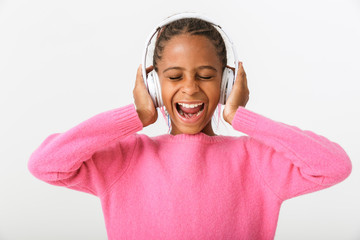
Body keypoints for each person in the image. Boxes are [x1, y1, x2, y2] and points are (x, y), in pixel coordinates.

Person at [28, 17, 352, 240]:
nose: (190, 88)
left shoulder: (254, 159)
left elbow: (333, 166)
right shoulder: (126, 160)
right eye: (174, 77)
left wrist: (239, 116)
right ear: (154, 84)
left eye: (206, 75)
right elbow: (46, 164)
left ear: (227, 82)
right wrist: (134, 116)